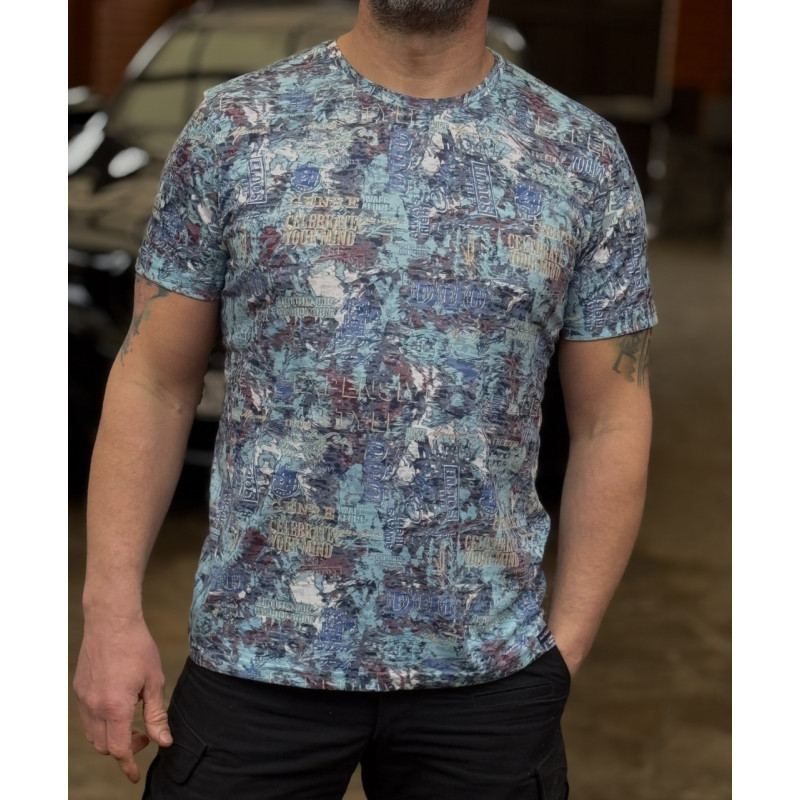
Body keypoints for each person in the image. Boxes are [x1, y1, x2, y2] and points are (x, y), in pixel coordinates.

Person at [73, 0, 656, 797]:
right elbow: (153, 380)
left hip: (487, 675)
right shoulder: (236, 128)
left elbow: (611, 418)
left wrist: (566, 649)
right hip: (257, 656)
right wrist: (109, 614)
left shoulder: (580, 154)